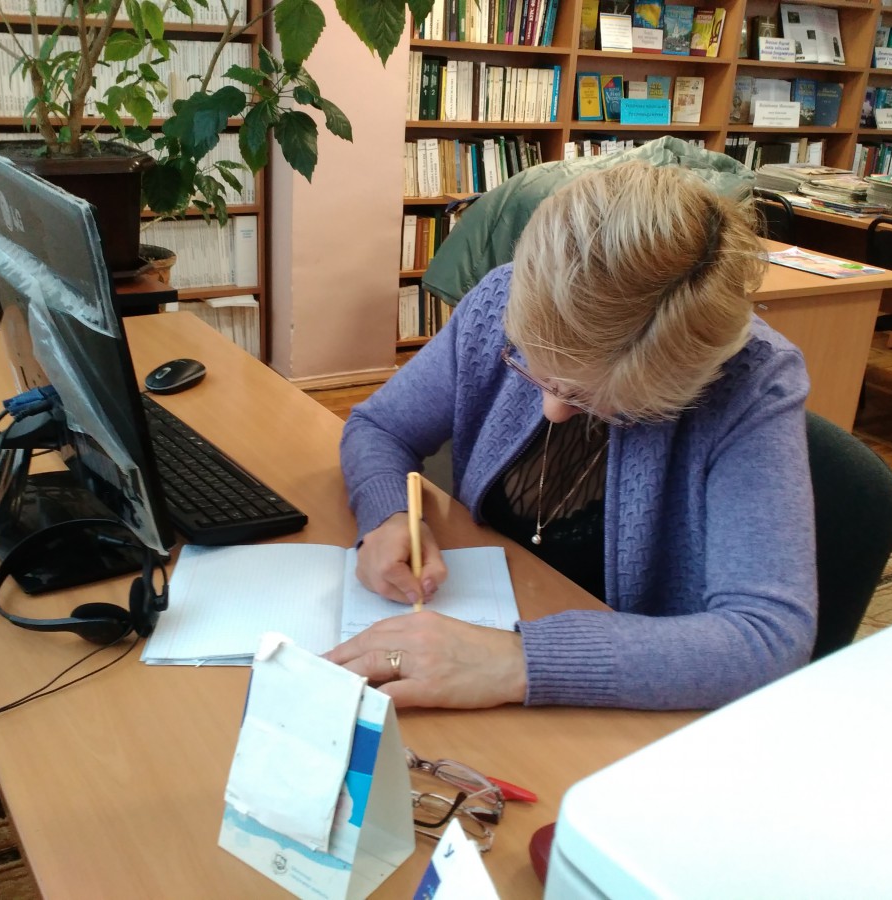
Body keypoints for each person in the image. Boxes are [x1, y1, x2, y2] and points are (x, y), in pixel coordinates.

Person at [325, 161, 817, 711]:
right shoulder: (502, 299)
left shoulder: (753, 384)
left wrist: (519, 660)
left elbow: (769, 636)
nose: (553, 410)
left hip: (621, 711)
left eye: (588, 397)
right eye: (532, 369)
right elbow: (380, 426)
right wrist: (389, 514)